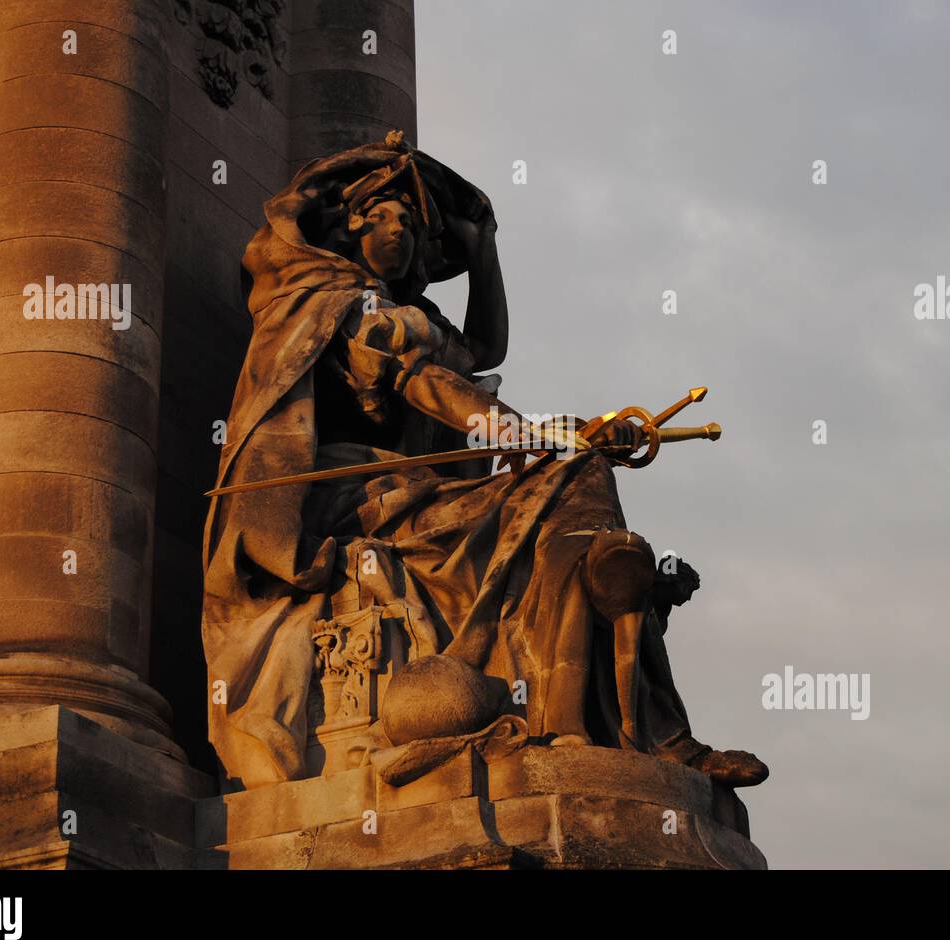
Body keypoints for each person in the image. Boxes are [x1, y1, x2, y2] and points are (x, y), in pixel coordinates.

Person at [202, 131, 768, 791]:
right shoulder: (336, 304)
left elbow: (479, 352)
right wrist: (534, 439)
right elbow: (428, 384)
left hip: (413, 494)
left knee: (572, 489)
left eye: (409, 224)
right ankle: (619, 676)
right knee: (565, 473)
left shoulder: (411, 315)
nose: (398, 233)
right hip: (350, 499)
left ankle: (610, 708)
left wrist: (483, 253)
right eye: (381, 220)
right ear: (347, 231)